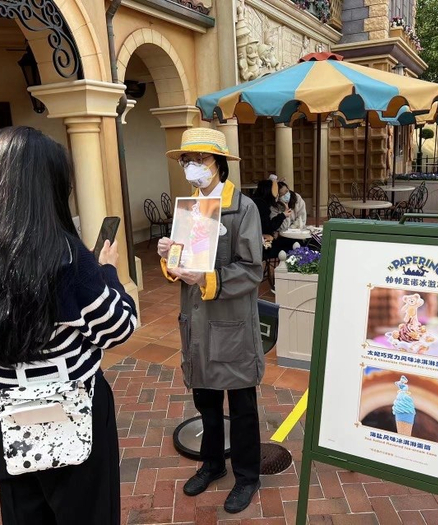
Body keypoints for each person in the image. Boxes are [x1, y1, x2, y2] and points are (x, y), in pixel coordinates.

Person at [0, 126, 137, 525]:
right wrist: (108, 272)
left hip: (11, 412)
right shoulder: (68, 258)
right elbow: (118, 326)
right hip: (76, 406)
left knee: (25, 512)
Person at [157, 127, 264, 515]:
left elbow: (252, 269)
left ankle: (247, 476)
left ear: (218, 162)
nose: (192, 167)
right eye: (187, 160)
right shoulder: (188, 209)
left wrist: (208, 279)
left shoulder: (243, 209)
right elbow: (183, 263)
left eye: (199, 159)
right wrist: (168, 256)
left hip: (231, 323)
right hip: (197, 323)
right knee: (205, 399)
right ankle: (213, 462)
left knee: (241, 403)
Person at [252, 178, 292, 256]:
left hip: (255, 240)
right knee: (289, 246)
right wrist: (283, 215)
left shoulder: (255, 201)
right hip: (261, 243)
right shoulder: (262, 206)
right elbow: (268, 227)